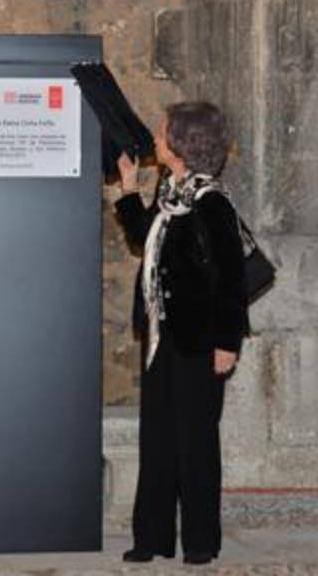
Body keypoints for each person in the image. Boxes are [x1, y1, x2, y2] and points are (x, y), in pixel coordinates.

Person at [113, 101, 249, 566]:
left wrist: (227, 344)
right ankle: (151, 538)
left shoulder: (210, 202)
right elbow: (143, 236)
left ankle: (200, 541)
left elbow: (232, 281)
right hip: (161, 338)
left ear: (183, 142)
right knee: (158, 439)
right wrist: (130, 189)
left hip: (201, 342)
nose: (155, 137)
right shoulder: (171, 193)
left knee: (195, 443)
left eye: (163, 130)